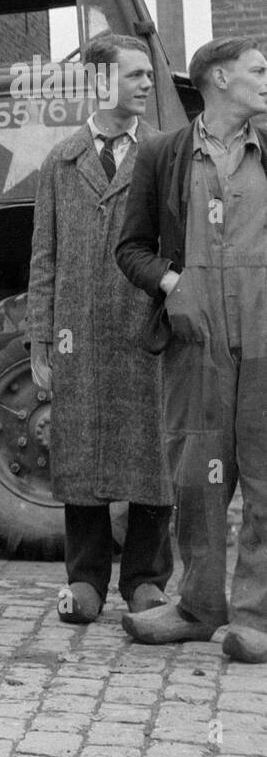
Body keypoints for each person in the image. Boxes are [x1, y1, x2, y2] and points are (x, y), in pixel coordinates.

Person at [116, 35, 267, 663]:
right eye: (258, 70)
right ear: (219, 79)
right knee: (198, 481)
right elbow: (131, 249)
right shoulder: (164, 154)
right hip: (195, 347)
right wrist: (172, 282)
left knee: (265, 481)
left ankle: (256, 618)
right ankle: (199, 607)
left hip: (264, 345)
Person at [28, 35, 173, 624]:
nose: (145, 83)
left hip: (146, 328)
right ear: (98, 82)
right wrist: (41, 339)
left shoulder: (163, 155)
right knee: (82, 455)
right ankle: (85, 580)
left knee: (152, 453)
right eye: (134, 74)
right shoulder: (61, 161)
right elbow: (44, 257)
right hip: (78, 335)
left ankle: (146, 581)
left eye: (147, 75)